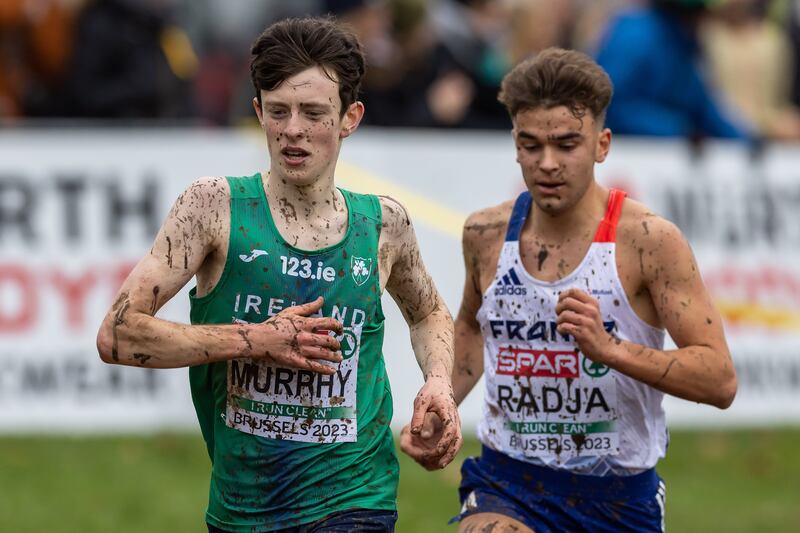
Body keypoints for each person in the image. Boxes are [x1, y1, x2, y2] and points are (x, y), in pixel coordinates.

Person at [96, 16, 461, 533]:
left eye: (313, 113)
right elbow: (117, 334)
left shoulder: (384, 224)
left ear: (349, 117)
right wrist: (255, 340)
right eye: (278, 111)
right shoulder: (213, 207)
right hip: (244, 505)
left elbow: (427, 312)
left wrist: (440, 384)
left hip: (356, 495)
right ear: (257, 112)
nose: (293, 130)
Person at [401, 47, 737, 532]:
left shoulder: (648, 241)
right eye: (531, 145)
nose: (548, 163)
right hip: (507, 480)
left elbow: (719, 378)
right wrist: (441, 404)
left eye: (566, 144)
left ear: (602, 145)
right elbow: (473, 326)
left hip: (618, 497)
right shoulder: (485, 233)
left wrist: (611, 349)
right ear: (515, 143)